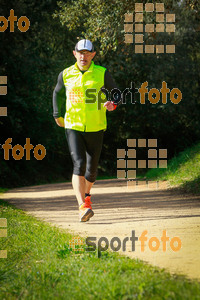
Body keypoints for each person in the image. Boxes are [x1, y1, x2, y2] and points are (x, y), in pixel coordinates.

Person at [53, 39, 120, 222]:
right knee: (79, 164)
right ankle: (82, 206)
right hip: (73, 126)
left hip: (96, 126)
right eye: (80, 53)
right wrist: (57, 114)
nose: (83, 56)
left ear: (93, 55)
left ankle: (87, 196)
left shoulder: (101, 73)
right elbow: (57, 93)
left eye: (87, 53)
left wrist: (112, 104)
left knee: (91, 171)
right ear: (74, 54)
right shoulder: (65, 74)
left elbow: (117, 93)